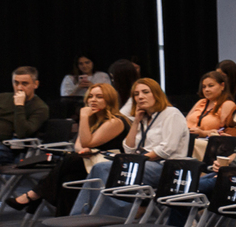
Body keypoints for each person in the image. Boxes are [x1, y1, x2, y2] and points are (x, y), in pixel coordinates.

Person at [68, 78, 189, 218]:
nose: (140, 97)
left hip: (167, 167)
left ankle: (107, 218)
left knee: (104, 168)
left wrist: (136, 160)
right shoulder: (144, 118)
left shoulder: (171, 113)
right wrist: (136, 121)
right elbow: (129, 149)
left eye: (145, 92)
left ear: (157, 94)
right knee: (98, 168)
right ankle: (78, 218)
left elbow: (166, 149)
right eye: (136, 94)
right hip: (145, 164)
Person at [10, 82, 125, 214]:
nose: (93, 100)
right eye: (90, 96)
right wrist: (85, 146)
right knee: (68, 178)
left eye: (99, 97)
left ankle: (35, 195)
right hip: (87, 164)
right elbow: (78, 146)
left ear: (110, 100)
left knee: (71, 159)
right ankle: (63, 221)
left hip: (109, 167)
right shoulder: (93, 120)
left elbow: (86, 143)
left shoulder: (115, 121)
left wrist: (83, 117)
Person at [187, 69, 236, 141]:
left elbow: (225, 131)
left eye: (211, 86)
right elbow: (185, 121)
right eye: (204, 87)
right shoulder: (201, 102)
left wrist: (204, 133)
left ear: (222, 86)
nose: (206, 89)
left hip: (210, 143)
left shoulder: (227, 104)